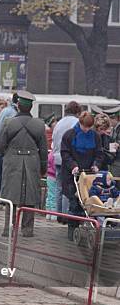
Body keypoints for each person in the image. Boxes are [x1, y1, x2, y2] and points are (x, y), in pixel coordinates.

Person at [0, 90, 48, 237]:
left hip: (12, 161)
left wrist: (6, 154)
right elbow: (43, 150)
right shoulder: (39, 124)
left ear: (18, 105)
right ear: (30, 107)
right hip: (32, 161)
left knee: (10, 196)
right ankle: (27, 230)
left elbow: (0, 145)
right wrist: (43, 167)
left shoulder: (8, 122)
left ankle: (8, 229)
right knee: (30, 197)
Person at [60, 112, 103, 240]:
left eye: (89, 127)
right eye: (85, 127)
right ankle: (72, 231)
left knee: (88, 202)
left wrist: (96, 165)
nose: (87, 130)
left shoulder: (95, 136)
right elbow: (65, 153)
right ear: (80, 123)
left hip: (89, 175)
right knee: (74, 203)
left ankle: (88, 227)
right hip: (72, 174)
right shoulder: (69, 135)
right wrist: (73, 165)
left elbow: (99, 153)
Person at [52, 101, 81, 216]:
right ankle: (66, 215)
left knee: (59, 187)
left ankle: (58, 213)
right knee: (69, 188)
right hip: (70, 160)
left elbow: (54, 140)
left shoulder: (59, 123)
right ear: (77, 111)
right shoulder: (77, 123)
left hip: (57, 157)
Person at [45, 151, 57, 221]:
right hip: (54, 176)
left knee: (50, 195)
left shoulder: (50, 154)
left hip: (49, 176)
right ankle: (53, 213)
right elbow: (55, 167)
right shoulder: (55, 155)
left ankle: (48, 212)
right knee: (54, 195)